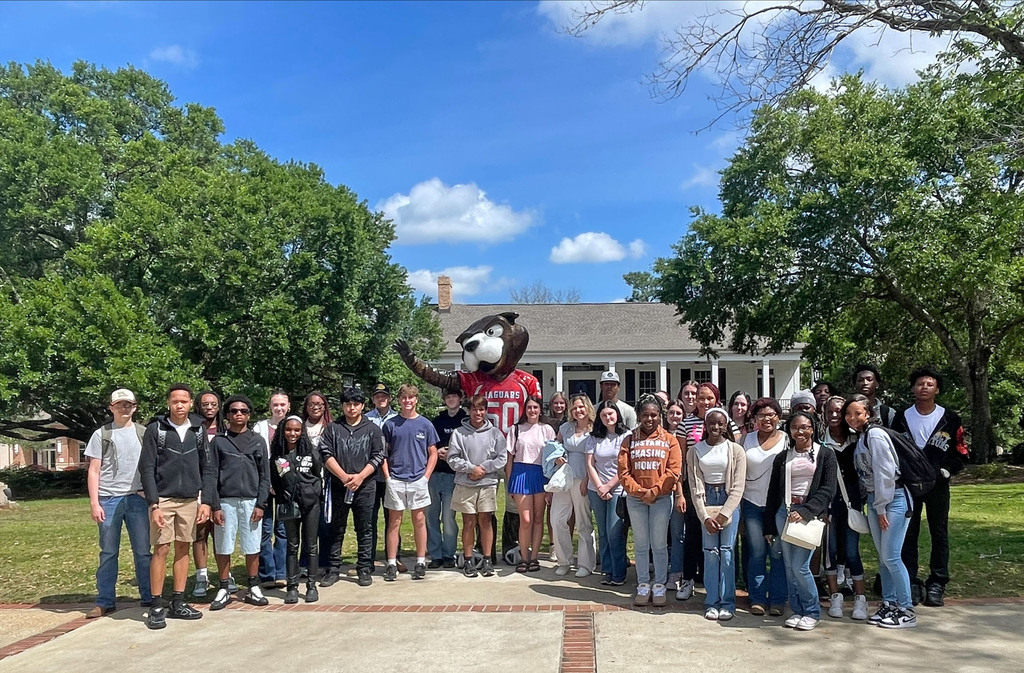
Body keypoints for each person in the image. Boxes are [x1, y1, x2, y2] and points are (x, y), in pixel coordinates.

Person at [893, 366, 969, 608]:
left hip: (938, 485)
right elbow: (894, 450)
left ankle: (937, 582)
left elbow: (961, 451)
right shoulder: (902, 417)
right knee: (908, 533)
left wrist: (946, 471)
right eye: (919, 384)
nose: (923, 387)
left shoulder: (949, 418)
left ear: (937, 389)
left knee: (939, 533)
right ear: (913, 388)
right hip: (910, 485)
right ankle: (911, 582)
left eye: (929, 384)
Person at [139, 383, 211, 630]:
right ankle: (157, 605)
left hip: (190, 499)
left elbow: (208, 468)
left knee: (183, 548)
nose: (179, 405)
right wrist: (154, 504)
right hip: (164, 499)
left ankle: (178, 601)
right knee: (161, 549)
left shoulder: (198, 429)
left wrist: (207, 502)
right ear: (168, 403)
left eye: (184, 401)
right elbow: (146, 468)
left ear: (191, 403)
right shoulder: (155, 430)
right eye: (174, 401)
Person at [846, 394, 917, 629]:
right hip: (877, 500)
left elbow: (885, 473)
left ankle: (906, 609)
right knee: (884, 558)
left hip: (893, 499)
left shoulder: (875, 435)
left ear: (869, 414)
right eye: (849, 413)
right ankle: (890, 603)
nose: (852, 417)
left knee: (892, 556)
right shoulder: (863, 437)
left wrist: (881, 507)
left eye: (858, 413)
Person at [764, 410, 838, 631]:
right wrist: (769, 525)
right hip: (784, 513)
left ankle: (812, 611)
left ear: (812, 429)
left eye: (804, 427)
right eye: (795, 427)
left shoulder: (825, 454)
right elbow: (772, 492)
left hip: (808, 514)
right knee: (788, 566)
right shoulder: (783, 457)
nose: (800, 431)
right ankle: (797, 610)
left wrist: (806, 511)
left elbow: (828, 489)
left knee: (801, 566)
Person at [85, 388, 152, 619]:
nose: (124, 408)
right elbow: (94, 470)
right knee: (108, 552)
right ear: (111, 407)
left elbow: (152, 467)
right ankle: (105, 601)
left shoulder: (144, 433)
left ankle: (149, 596)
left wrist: (149, 492)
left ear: (135, 407)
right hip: (109, 499)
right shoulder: (101, 434)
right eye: (119, 405)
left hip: (137, 499)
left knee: (143, 551)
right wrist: (95, 503)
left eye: (128, 404)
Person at [208, 394, 271, 611]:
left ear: (249, 415)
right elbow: (211, 474)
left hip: (251, 501)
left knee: (252, 545)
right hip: (225, 501)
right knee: (223, 544)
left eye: (243, 411)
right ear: (226, 415)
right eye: (234, 411)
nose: (238, 414)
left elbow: (265, 475)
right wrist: (214, 505)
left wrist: (261, 504)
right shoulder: (219, 441)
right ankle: (224, 587)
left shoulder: (257, 441)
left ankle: (253, 586)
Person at [319, 387, 386, 587]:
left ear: (363, 406)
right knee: (336, 528)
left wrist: (360, 477)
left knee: (364, 528)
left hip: (365, 486)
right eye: (348, 404)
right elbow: (325, 453)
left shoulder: (373, 429)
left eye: (356, 404)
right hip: (339, 485)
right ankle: (333, 569)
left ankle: (364, 568)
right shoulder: (332, 428)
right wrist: (343, 476)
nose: (351, 408)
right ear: (342, 405)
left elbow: (379, 455)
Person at [619, 397, 681, 607]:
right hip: (636, 500)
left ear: (660, 416)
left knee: (659, 543)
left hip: (661, 498)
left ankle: (660, 584)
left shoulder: (669, 440)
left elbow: (674, 471)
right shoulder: (629, 440)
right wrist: (639, 491)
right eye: (645, 415)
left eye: (654, 415)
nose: (649, 419)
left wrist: (654, 491)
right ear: (639, 416)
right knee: (642, 543)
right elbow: (624, 471)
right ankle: (643, 583)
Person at [687, 407, 746, 621]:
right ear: (705, 425)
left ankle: (727, 603)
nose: (716, 427)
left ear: (726, 425)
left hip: (728, 498)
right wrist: (704, 516)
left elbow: (738, 486)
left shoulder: (736, 450)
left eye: (720, 423)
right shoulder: (695, 451)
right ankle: (712, 601)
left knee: (727, 551)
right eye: (711, 423)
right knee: (710, 552)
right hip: (707, 499)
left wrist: (724, 514)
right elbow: (694, 486)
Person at [382, 384, 439, 581]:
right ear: (399, 400)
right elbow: (383, 454)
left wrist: (426, 477)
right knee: (394, 522)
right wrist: (388, 477)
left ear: (416, 400)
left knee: (420, 521)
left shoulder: (426, 424)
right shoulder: (390, 424)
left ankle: (421, 561)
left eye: (411, 398)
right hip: (396, 479)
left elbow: (433, 453)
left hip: (418, 480)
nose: (407, 401)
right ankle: (391, 563)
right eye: (404, 398)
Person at [446, 394, 507, 578]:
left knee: (486, 521)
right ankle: (469, 559)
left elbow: (501, 458)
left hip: (487, 483)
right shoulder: (459, 433)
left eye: (481, 409)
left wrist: (483, 469)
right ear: (469, 411)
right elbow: (452, 458)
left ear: (486, 411)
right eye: (474, 409)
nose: (478, 413)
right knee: (468, 522)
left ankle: (488, 559)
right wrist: (471, 469)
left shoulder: (495, 433)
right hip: (465, 483)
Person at [820, 395, 869, 620]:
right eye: (829, 411)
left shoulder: (858, 440)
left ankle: (860, 599)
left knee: (851, 551)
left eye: (839, 411)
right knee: (830, 554)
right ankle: (835, 597)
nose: (834, 415)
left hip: (852, 504)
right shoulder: (820, 442)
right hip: (829, 506)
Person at [740, 397, 789, 617]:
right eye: (761, 415)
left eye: (771, 414)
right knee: (757, 553)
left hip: (778, 506)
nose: (767, 419)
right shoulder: (746, 440)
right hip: (751, 503)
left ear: (778, 416)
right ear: (755, 419)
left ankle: (778, 599)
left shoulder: (787, 440)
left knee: (777, 553)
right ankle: (757, 598)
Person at [269, 415, 322, 603]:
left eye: (297, 430)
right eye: (289, 430)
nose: (293, 434)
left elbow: (318, 475)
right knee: (292, 545)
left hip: (311, 505)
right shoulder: (277, 455)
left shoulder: (311, 452)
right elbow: (275, 479)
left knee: (311, 545)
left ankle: (311, 585)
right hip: (289, 505)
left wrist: (313, 493)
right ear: (283, 431)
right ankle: (292, 587)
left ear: (302, 432)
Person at [506, 395, 556, 572]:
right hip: (520, 474)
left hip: (541, 475)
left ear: (540, 409)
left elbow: (552, 457)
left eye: (535, 407)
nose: (532, 411)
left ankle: (534, 557)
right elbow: (510, 458)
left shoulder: (547, 430)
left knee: (537, 519)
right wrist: (510, 481)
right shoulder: (516, 430)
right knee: (525, 520)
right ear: (524, 410)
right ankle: (523, 557)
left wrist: (551, 484)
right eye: (529, 408)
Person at [553, 393, 597, 577]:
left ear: (587, 408)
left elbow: (596, 457)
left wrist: (587, 480)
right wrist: (556, 457)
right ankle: (564, 560)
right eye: (574, 408)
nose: (578, 411)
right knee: (557, 519)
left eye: (581, 407)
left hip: (583, 479)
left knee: (583, 522)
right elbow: (555, 447)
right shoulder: (566, 427)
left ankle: (586, 564)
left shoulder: (595, 429)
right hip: (564, 479)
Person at [587, 401, 628, 586]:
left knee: (614, 532)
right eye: (603, 415)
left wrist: (609, 486)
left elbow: (625, 466)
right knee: (603, 532)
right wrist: (599, 487)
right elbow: (590, 464)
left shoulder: (626, 436)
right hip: (596, 490)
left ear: (617, 414)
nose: (608, 418)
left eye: (610, 414)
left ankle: (619, 573)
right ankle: (607, 570)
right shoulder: (593, 437)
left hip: (618, 490)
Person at [254, 389, 290, 588]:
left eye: (282, 404)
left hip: (285, 485)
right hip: (263, 484)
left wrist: (282, 482)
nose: (279, 408)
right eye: (275, 404)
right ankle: (267, 574)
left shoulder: (293, 425)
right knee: (265, 529)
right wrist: (266, 483)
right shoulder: (260, 427)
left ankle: (281, 572)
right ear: (270, 407)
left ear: (288, 406)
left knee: (283, 530)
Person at [427, 389, 465, 568]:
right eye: (448, 397)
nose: (451, 399)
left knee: (449, 518)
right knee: (431, 516)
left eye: (454, 396)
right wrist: (439, 450)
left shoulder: (465, 419)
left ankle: (449, 554)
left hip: (453, 475)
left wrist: (452, 453)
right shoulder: (437, 420)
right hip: (435, 473)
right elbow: (430, 443)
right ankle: (436, 555)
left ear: (460, 399)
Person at [365, 383, 399, 569]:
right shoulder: (365, 418)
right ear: (373, 399)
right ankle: (368, 559)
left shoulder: (397, 418)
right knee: (370, 519)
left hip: (392, 474)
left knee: (393, 518)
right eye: (378, 396)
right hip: (370, 475)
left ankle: (393, 558)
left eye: (384, 396)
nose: (381, 399)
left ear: (390, 398)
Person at [192, 390, 222, 597]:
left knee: (221, 533)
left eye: (213, 404)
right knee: (200, 533)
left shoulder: (227, 430)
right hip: (199, 488)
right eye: (205, 404)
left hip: (223, 489)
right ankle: (201, 575)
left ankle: (224, 575)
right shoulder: (192, 429)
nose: (209, 407)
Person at [664, 400, 687, 591]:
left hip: (680, 488)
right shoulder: (660, 435)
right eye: (672, 412)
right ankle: (662, 569)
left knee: (678, 532)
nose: (675, 416)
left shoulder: (685, 435)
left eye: (679, 413)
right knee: (661, 533)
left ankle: (676, 572)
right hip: (661, 489)